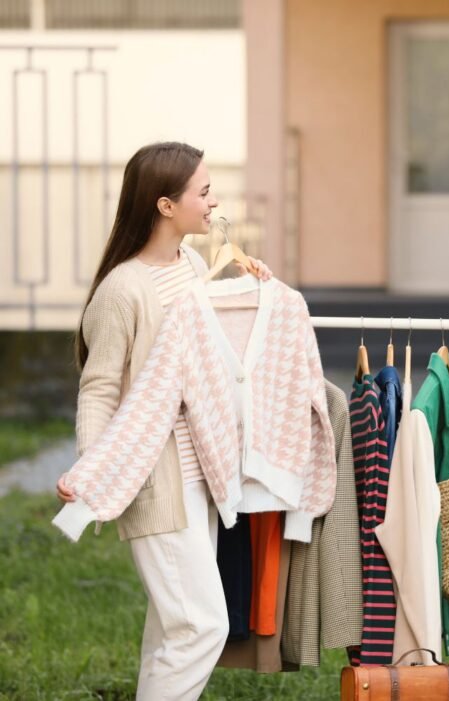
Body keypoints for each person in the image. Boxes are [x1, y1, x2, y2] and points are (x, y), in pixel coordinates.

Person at [55, 142, 272, 700]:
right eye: (203, 191)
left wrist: (252, 292)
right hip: (154, 477)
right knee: (203, 625)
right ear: (165, 206)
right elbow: (99, 388)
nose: (214, 200)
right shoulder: (122, 290)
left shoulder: (193, 266)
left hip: (198, 474)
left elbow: (205, 354)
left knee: (170, 631)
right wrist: (94, 469)